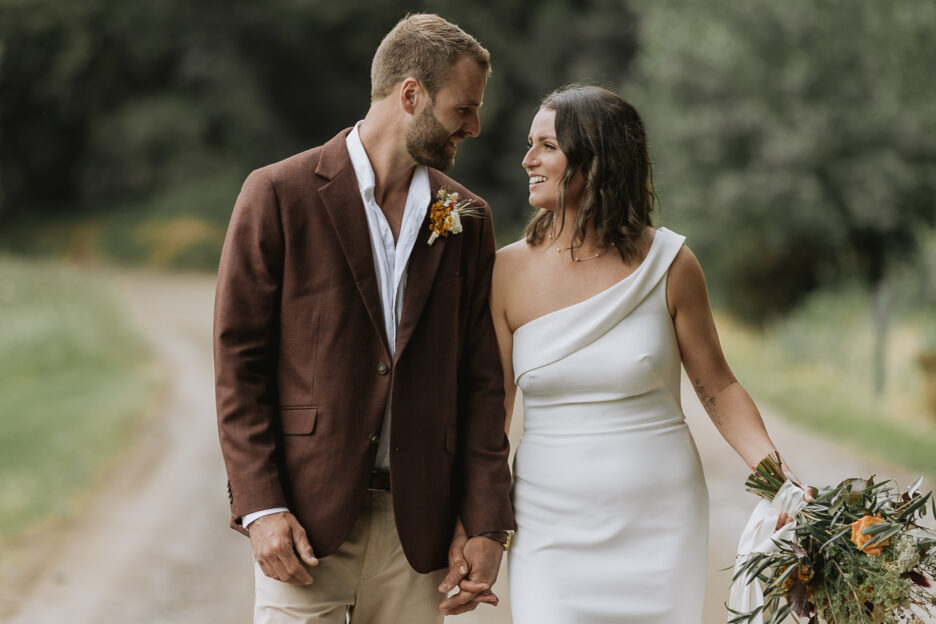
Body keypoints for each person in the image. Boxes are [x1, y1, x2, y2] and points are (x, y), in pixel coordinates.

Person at [213, 14, 514, 624]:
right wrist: (261, 507)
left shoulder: (468, 218)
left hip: (420, 537)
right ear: (411, 95)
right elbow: (238, 364)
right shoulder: (276, 194)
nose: (475, 126)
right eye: (464, 107)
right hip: (305, 528)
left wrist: (485, 521)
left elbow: (483, 383)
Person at [490, 85, 792, 623]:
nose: (527, 160)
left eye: (546, 147)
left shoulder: (671, 265)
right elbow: (493, 411)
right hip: (548, 522)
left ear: (595, 160)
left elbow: (718, 387)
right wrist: (478, 521)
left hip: (660, 518)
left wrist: (780, 483)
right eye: (529, 144)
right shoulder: (505, 273)